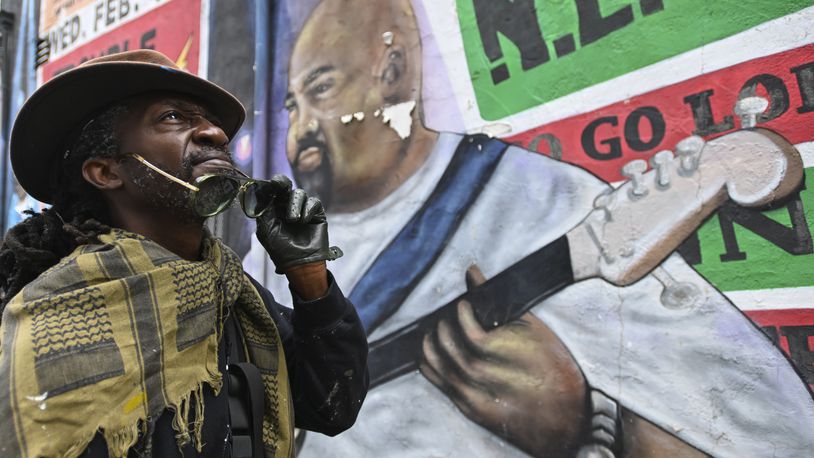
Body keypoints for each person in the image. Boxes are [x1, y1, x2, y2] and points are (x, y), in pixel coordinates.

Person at [246, 0, 814, 456]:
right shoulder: (272, 249)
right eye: (292, 106)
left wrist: (587, 428)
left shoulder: (552, 205)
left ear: (393, 75)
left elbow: (779, 437)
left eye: (320, 92)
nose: (298, 133)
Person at [0, 50, 369, 458]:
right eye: (172, 118)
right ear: (106, 172)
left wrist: (308, 274)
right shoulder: (57, 318)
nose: (215, 133)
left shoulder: (236, 297)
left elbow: (334, 406)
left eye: (209, 121)